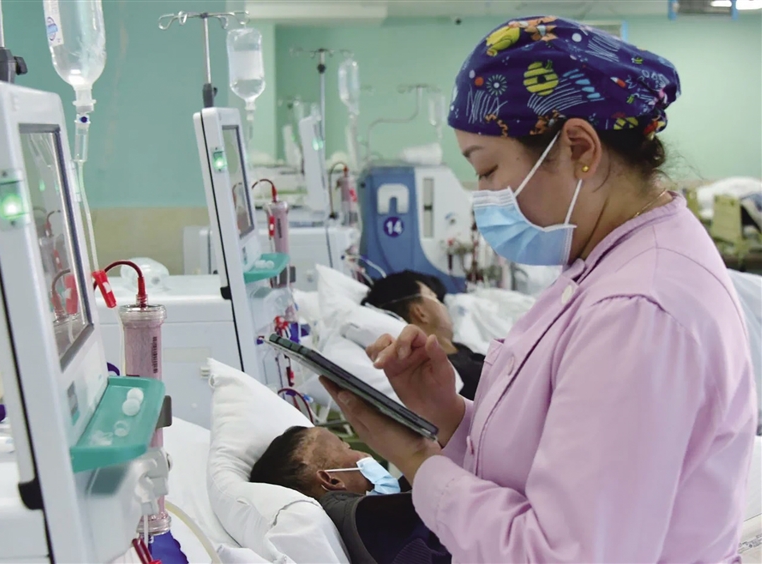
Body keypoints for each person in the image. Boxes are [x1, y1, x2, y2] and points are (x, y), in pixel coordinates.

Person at [320, 16, 758, 563]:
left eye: (487, 170)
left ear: (579, 148)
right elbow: (549, 460)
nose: (482, 197)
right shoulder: (605, 261)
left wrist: (416, 460)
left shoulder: (638, 310)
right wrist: (449, 413)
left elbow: (565, 555)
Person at [251, 426, 450, 564]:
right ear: (332, 480)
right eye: (346, 448)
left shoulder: (373, 520)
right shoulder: (371, 524)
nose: (366, 455)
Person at [362, 271, 484, 400]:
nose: (444, 306)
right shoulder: (450, 376)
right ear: (420, 312)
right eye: (434, 298)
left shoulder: (460, 351)